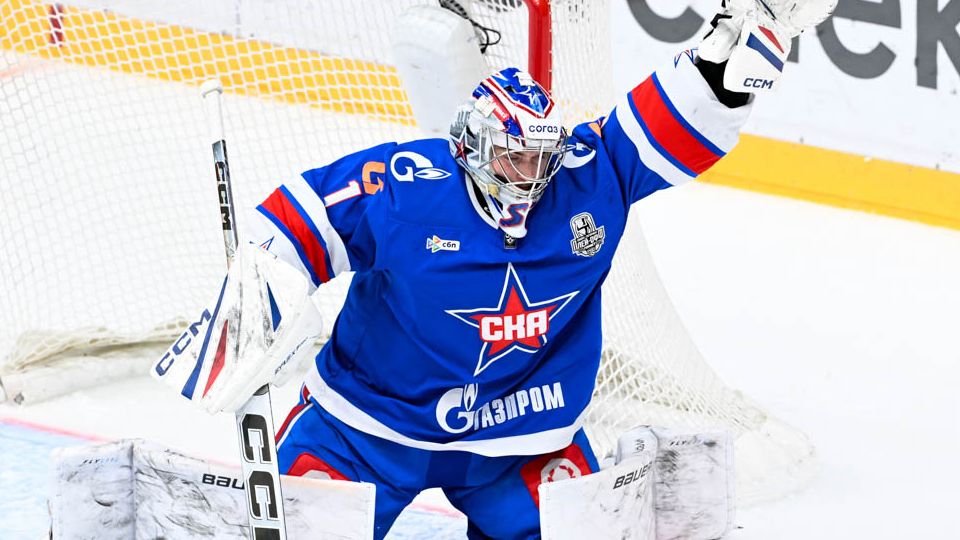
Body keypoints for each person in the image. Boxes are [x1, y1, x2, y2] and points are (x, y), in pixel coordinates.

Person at [158, 1, 837, 538]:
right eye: (516, 156)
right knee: (297, 530)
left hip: (521, 440)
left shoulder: (585, 180)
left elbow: (657, 127)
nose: (532, 174)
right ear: (474, 146)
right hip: (368, 429)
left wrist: (722, 62)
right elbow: (296, 220)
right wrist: (259, 299)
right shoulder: (407, 186)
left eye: (542, 156)